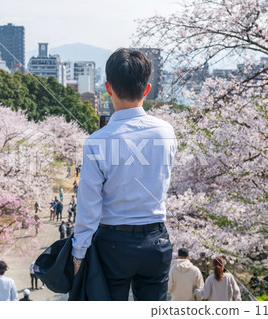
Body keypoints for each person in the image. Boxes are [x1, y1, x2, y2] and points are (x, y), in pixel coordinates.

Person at [72, 49, 177, 301]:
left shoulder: (97, 141)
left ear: (108, 87)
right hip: (156, 240)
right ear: (147, 88)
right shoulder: (166, 132)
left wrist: (79, 253)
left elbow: (89, 203)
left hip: (113, 243)